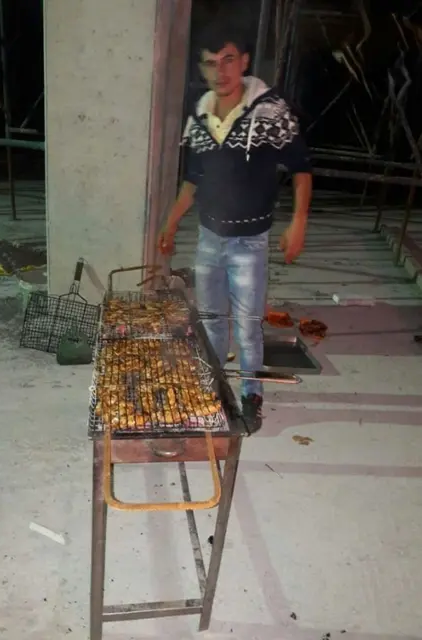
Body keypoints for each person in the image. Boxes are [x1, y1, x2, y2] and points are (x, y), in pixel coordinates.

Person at [158, 23, 312, 430]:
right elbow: (193, 180)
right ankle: (214, 391)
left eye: (228, 60)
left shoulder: (271, 110)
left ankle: (251, 395)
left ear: (243, 62)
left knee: (247, 327)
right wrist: (170, 224)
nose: (220, 71)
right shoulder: (200, 115)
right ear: (202, 69)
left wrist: (298, 222)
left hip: (250, 241)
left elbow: (300, 168)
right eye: (211, 63)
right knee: (210, 320)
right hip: (208, 238)